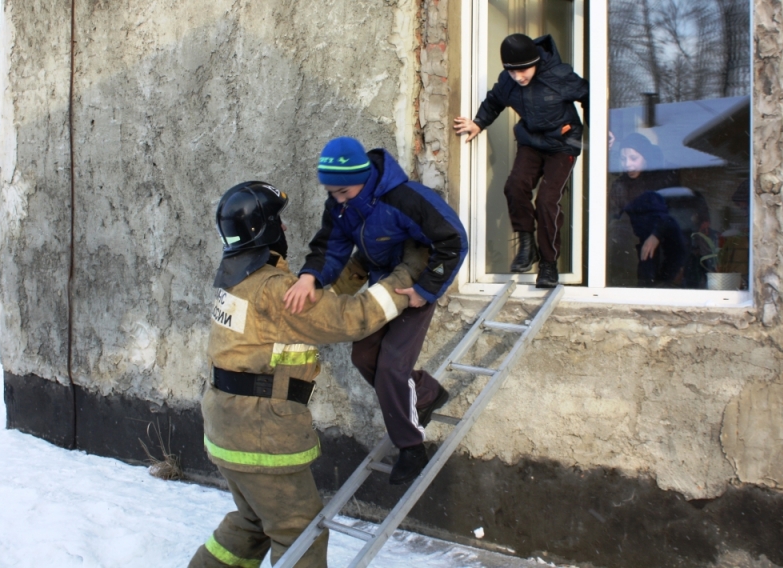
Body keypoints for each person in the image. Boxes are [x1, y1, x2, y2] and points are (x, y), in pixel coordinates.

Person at [189, 181, 423, 568]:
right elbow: (348, 319)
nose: (284, 229)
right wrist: (406, 272)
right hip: (262, 434)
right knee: (299, 532)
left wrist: (359, 266)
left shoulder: (239, 280)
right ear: (265, 231)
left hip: (227, 427)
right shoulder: (272, 289)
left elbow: (311, 307)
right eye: (278, 223)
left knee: (253, 521)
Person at [283, 136, 468, 486]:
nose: (337, 200)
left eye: (343, 192)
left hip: (415, 281)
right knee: (364, 356)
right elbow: (331, 245)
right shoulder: (340, 205)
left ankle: (411, 447)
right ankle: (426, 393)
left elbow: (454, 238)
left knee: (392, 365)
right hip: (384, 281)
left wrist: (426, 289)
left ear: (364, 178)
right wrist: (309, 277)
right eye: (331, 192)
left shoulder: (406, 198)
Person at [454, 33, 589, 287]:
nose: (518, 77)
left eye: (523, 70)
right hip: (531, 142)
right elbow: (494, 101)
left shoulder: (559, 76)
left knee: (548, 200)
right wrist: (478, 123)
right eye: (512, 71)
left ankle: (548, 265)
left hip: (562, 145)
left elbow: (588, 94)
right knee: (514, 186)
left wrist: (602, 128)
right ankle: (528, 246)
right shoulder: (508, 82)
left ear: (536, 61)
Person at [608, 133, 687, 287]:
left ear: (646, 157)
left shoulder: (662, 179)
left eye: (634, 158)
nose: (628, 165)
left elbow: (670, 214)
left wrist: (656, 235)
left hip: (667, 244)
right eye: (623, 159)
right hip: (635, 245)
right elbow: (616, 216)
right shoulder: (620, 185)